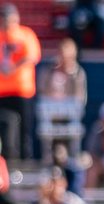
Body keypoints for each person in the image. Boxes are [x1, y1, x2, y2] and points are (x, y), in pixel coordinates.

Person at [0, 5, 39, 160]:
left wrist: (12, 67)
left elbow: (32, 56)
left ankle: (25, 163)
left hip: (22, 90)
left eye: (8, 17)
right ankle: (4, 164)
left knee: (25, 130)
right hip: (2, 91)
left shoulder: (25, 34)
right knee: (4, 130)